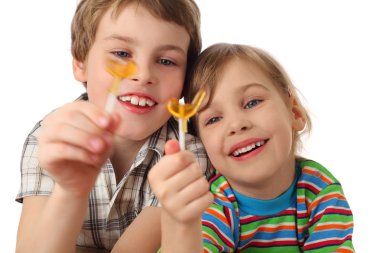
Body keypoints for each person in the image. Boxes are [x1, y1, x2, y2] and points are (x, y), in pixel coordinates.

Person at [15, 0, 213, 252]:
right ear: (80, 63)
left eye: (165, 61)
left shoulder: (186, 156)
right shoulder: (50, 137)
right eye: (121, 54)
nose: (142, 74)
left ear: (185, 80)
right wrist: (70, 192)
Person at [149, 43, 355, 252]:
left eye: (252, 103)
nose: (237, 124)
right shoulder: (213, 204)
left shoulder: (321, 190)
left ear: (295, 113)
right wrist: (183, 225)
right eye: (214, 119)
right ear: (202, 146)